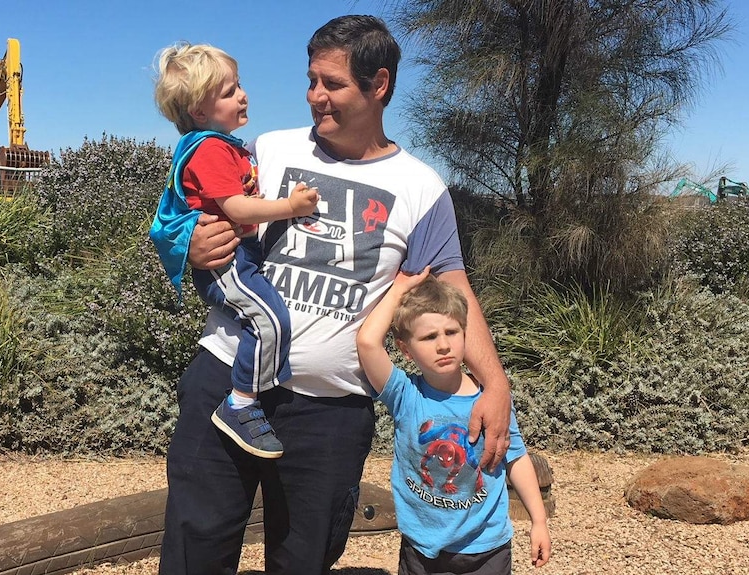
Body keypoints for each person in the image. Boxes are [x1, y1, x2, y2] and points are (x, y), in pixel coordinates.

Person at [159, 15, 513, 575]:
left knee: (305, 559)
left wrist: (495, 383)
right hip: (226, 378)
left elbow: (453, 288)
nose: (315, 97)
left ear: (380, 85)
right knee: (193, 548)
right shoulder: (266, 150)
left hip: (332, 409)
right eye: (311, 81)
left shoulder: (420, 188)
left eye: (333, 84)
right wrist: (188, 246)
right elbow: (188, 209)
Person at [149, 42, 320, 459]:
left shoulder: (225, 145)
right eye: (228, 92)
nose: (242, 95)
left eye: (238, 86)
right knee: (268, 320)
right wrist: (291, 208)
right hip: (227, 264)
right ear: (199, 112)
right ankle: (240, 403)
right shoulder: (209, 149)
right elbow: (238, 208)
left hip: (237, 259)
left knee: (270, 320)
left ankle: (251, 394)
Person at [356, 269, 551, 573]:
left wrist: (538, 520)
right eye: (429, 336)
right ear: (405, 349)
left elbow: (516, 459)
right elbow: (368, 343)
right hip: (422, 547)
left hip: (486, 546)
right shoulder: (405, 395)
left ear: (465, 334)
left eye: (452, 332)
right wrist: (400, 289)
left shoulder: (491, 400)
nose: (443, 345)